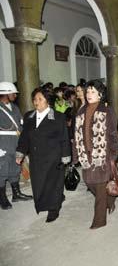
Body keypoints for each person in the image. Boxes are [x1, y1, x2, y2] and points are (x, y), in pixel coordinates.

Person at [16, 88, 70, 222]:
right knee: (39, 184)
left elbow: (64, 138)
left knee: (54, 184)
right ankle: (44, 203)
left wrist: (65, 157)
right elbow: (24, 137)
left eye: (40, 99)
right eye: (34, 99)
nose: (36, 102)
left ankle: (54, 209)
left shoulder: (58, 116)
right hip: (36, 158)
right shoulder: (29, 116)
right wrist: (20, 152)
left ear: (48, 101)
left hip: (54, 158)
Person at [72, 80, 118, 229]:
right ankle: (109, 200)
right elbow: (76, 135)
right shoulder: (81, 110)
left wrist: (113, 154)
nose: (89, 94)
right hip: (86, 155)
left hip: (102, 155)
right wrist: (75, 156)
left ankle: (99, 220)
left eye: (93, 92)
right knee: (90, 183)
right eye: (88, 92)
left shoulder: (107, 110)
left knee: (99, 187)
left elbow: (112, 134)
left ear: (100, 94)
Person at [0, 82, 32, 210]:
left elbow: (20, 124)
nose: (15, 95)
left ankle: (16, 194)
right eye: (13, 93)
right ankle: (2, 198)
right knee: (2, 172)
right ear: (5, 94)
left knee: (15, 169)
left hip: (15, 143)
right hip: (3, 145)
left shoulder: (15, 107)